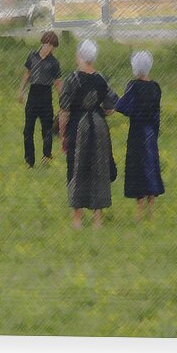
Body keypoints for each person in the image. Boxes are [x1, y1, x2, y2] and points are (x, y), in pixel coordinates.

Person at [58, 40, 118, 229]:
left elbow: (64, 112)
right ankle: (97, 219)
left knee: (76, 168)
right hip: (99, 127)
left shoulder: (72, 79)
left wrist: (62, 135)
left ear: (80, 56)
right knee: (99, 168)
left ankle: (77, 218)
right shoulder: (102, 79)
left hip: (78, 127)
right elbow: (110, 108)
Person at [115, 51, 165, 222]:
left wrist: (133, 112)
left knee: (138, 172)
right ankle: (151, 213)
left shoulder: (133, 86)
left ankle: (138, 213)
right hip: (151, 133)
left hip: (137, 133)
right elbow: (157, 114)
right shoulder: (156, 87)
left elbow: (121, 106)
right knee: (151, 170)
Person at [18, 31, 62, 168]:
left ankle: (46, 156)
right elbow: (27, 74)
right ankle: (29, 161)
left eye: (54, 47)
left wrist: (63, 100)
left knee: (47, 129)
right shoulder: (32, 57)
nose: (52, 50)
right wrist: (21, 90)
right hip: (33, 95)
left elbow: (57, 83)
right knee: (28, 130)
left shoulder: (54, 63)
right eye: (51, 46)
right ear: (45, 44)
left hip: (46, 96)